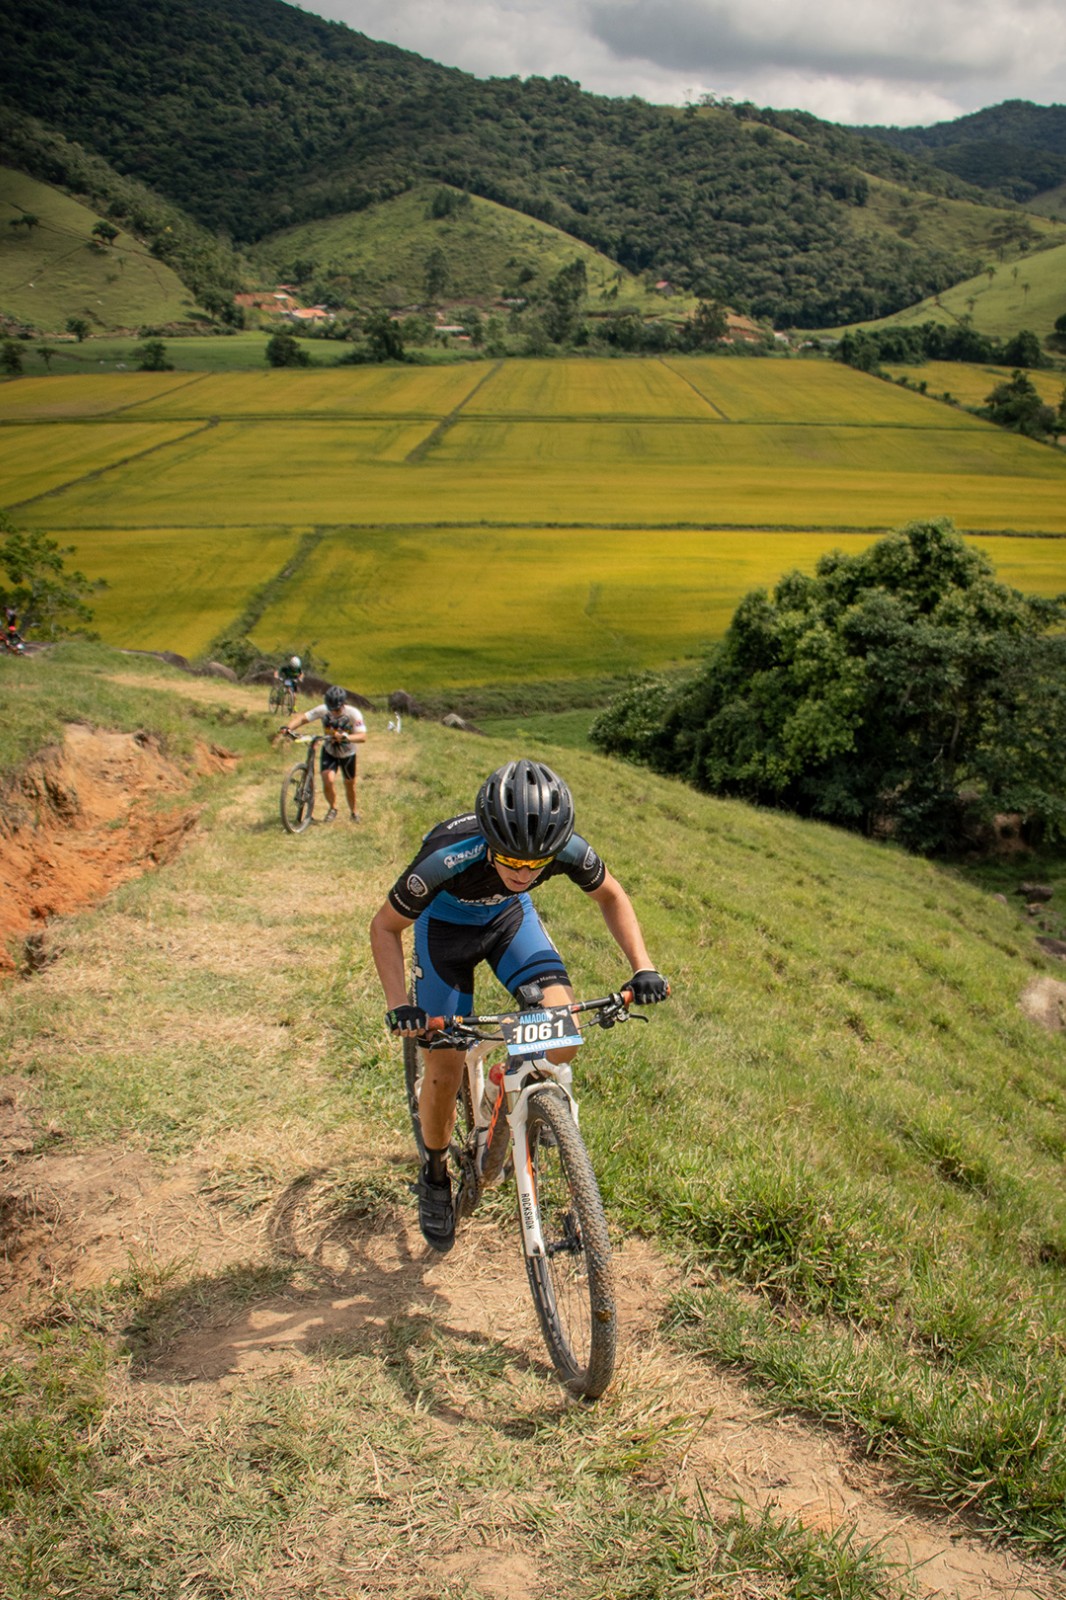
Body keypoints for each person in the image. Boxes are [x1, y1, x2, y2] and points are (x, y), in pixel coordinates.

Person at [368, 758, 669, 1253]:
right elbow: (384, 927)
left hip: (510, 924)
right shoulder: (446, 857)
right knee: (442, 1070)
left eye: (536, 865)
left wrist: (643, 965)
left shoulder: (563, 850)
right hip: (443, 934)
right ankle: (436, 1172)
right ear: (489, 840)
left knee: (564, 1033)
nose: (524, 872)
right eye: (511, 860)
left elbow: (612, 896)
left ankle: (501, 1084)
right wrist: (400, 1003)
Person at [279, 684, 366, 821]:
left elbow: (362, 737)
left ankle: (354, 812)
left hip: (348, 754)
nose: (334, 712)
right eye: (332, 709)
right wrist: (288, 728)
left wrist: (346, 737)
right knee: (327, 779)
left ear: (343, 704)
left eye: (337, 709)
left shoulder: (353, 714)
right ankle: (333, 808)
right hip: (330, 751)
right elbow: (303, 718)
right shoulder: (323, 710)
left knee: (350, 784)